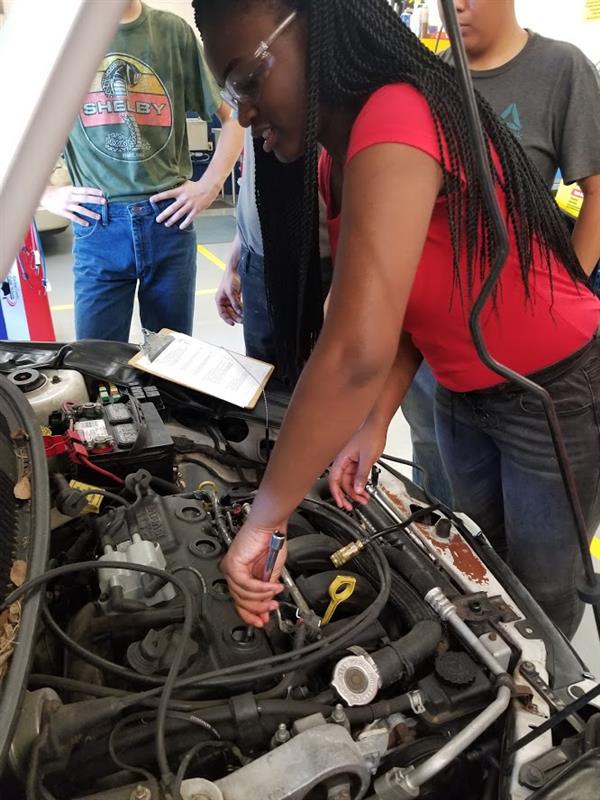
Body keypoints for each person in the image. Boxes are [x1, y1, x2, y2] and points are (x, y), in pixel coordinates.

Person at [194, 0, 600, 639]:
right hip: (462, 390)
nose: (242, 112)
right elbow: (406, 304)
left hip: (552, 393)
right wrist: (375, 421)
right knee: (481, 569)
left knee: (543, 595)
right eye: (229, 93)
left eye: (247, 79)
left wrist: (264, 520)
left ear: (312, 32)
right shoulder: (337, 155)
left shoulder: (395, 116)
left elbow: (354, 352)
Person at [401, 0, 600, 507]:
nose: (456, 6)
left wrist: (567, 292)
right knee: (449, 502)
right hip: (440, 357)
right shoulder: (426, 80)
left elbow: (598, 193)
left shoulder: (561, 69)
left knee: (542, 537)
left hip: (529, 362)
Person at [40, 0, 243, 342]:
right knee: (95, 358)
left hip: (168, 221)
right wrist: (46, 193)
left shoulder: (173, 33)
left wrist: (210, 185)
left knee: (170, 358)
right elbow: (19, 125)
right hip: (98, 226)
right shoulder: (60, 39)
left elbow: (234, 117)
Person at [217, 128, 332, 368]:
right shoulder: (251, 111)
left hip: (321, 269)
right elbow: (255, 184)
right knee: (263, 377)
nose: (245, 117)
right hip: (257, 263)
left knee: (320, 376)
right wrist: (234, 264)